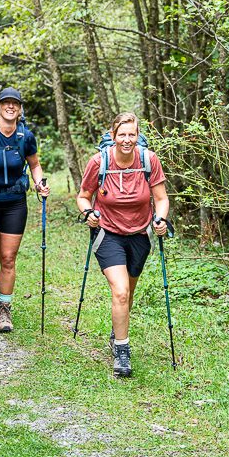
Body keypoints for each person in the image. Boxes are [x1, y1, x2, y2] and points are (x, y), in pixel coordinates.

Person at [76, 112, 169, 378]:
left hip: (140, 235)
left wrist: (161, 219)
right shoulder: (99, 162)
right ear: (113, 136)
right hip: (108, 234)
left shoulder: (149, 160)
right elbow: (83, 196)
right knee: (120, 292)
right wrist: (88, 213)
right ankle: (122, 350)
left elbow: (161, 198)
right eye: (122, 135)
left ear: (138, 136)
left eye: (132, 135)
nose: (127, 140)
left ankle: (117, 332)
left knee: (128, 292)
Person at [0, 87, 50, 332]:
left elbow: (34, 164)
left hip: (15, 203)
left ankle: (4, 309)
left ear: (20, 108)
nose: (10, 106)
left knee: (8, 259)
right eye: (6, 102)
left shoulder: (26, 137)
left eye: (15, 103)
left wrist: (39, 183)